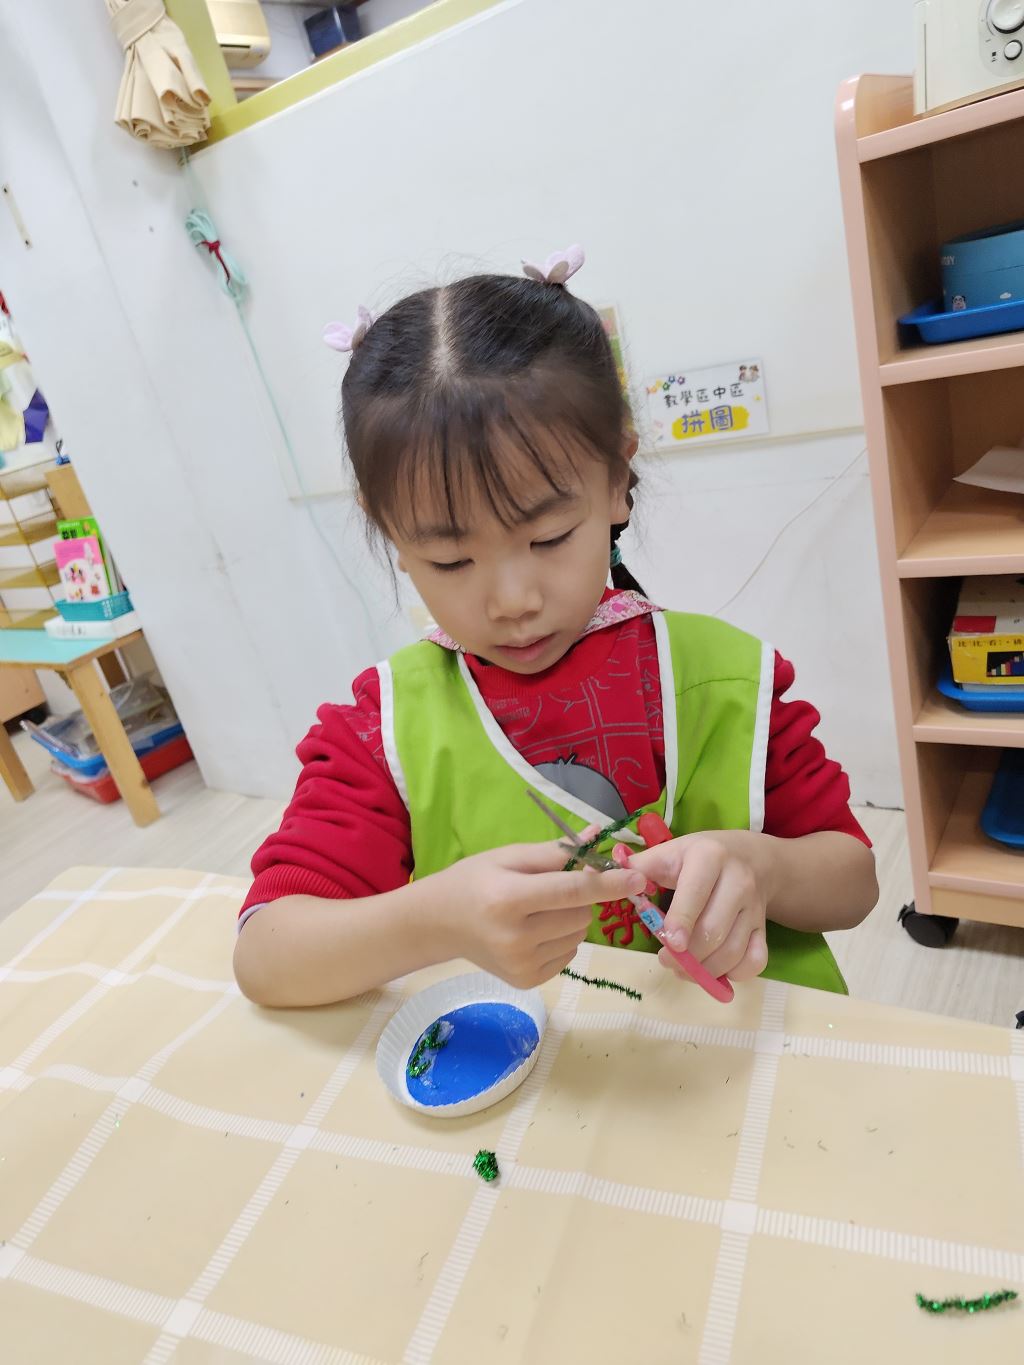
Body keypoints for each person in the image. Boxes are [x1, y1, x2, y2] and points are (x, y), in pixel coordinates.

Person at [234, 247, 877, 1009]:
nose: (511, 600)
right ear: (393, 537)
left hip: (748, 1055)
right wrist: (433, 918)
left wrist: (760, 867)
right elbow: (266, 957)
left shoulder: (725, 678)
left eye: (547, 539)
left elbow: (853, 882)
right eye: (450, 559)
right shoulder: (385, 730)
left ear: (616, 480)